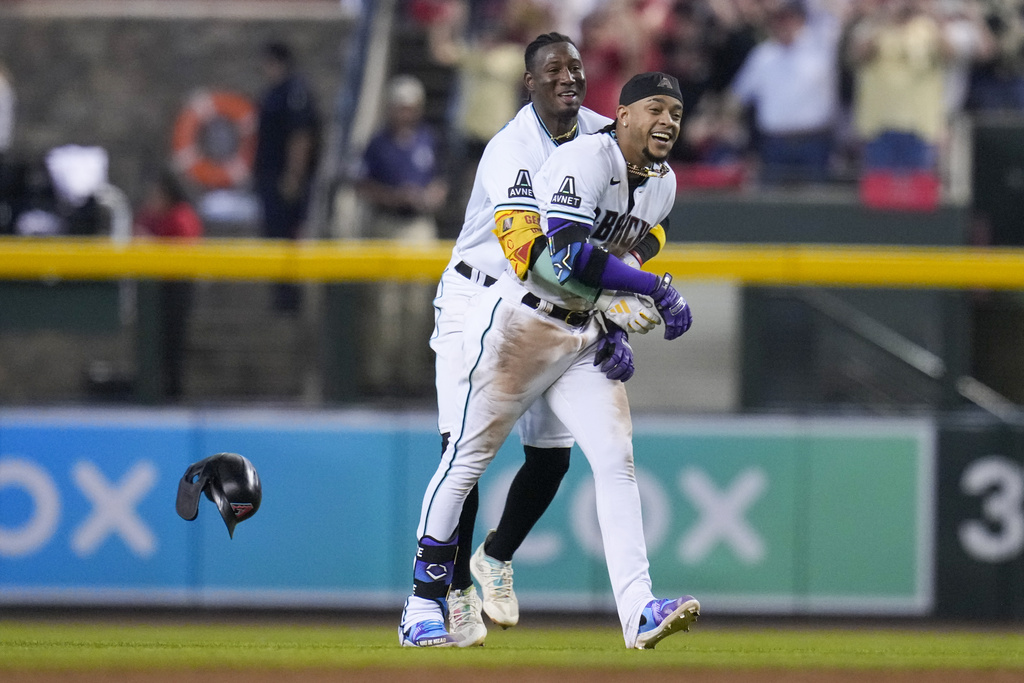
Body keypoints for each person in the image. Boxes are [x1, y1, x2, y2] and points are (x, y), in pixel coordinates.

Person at [400, 71, 699, 650]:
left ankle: (637, 610)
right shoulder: (586, 157)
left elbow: (630, 244)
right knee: (465, 461)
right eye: (656, 109)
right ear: (625, 113)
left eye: (677, 114)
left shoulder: (664, 184)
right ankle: (420, 605)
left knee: (616, 459)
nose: (668, 121)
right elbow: (565, 256)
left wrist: (615, 323)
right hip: (520, 323)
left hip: (580, 333)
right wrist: (653, 289)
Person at [355, 74, 447, 396]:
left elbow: (441, 180)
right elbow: (362, 185)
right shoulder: (378, 143)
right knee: (384, 305)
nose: (405, 113)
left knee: (418, 304)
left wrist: (430, 196)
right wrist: (394, 196)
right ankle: (379, 377)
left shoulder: (427, 138)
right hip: (387, 225)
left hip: (419, 226)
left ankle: (411, 376)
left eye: (410, 107)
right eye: (400, 107)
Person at [725, 0, 846, 184]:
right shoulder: (763, 55)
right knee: (774, 207)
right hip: (775, 144)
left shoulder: (821, 48)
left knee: (817, 204)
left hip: (814, 142)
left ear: (801, 21)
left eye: (790, 19)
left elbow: (833, 15)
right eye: (780, 20)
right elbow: (738, 95)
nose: (785, 25)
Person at [253, 41, 320, 313]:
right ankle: (280, 295)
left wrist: (293, 175)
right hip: (270, 178)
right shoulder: (275, 91)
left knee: (287, 236)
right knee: (272, 236)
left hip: (284, 181)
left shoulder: (294, 91)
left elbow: (300, 135)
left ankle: (290, 298)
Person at [133, 169, 204, 400]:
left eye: (157, 194)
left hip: (177, 287)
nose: (153, 198)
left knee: (173, 340)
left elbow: (185, 248)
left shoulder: (182, 216)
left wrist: (152, 244)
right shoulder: (150, 215)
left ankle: (173, 390)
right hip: (152, 289)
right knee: (153, 341)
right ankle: (152, 388)